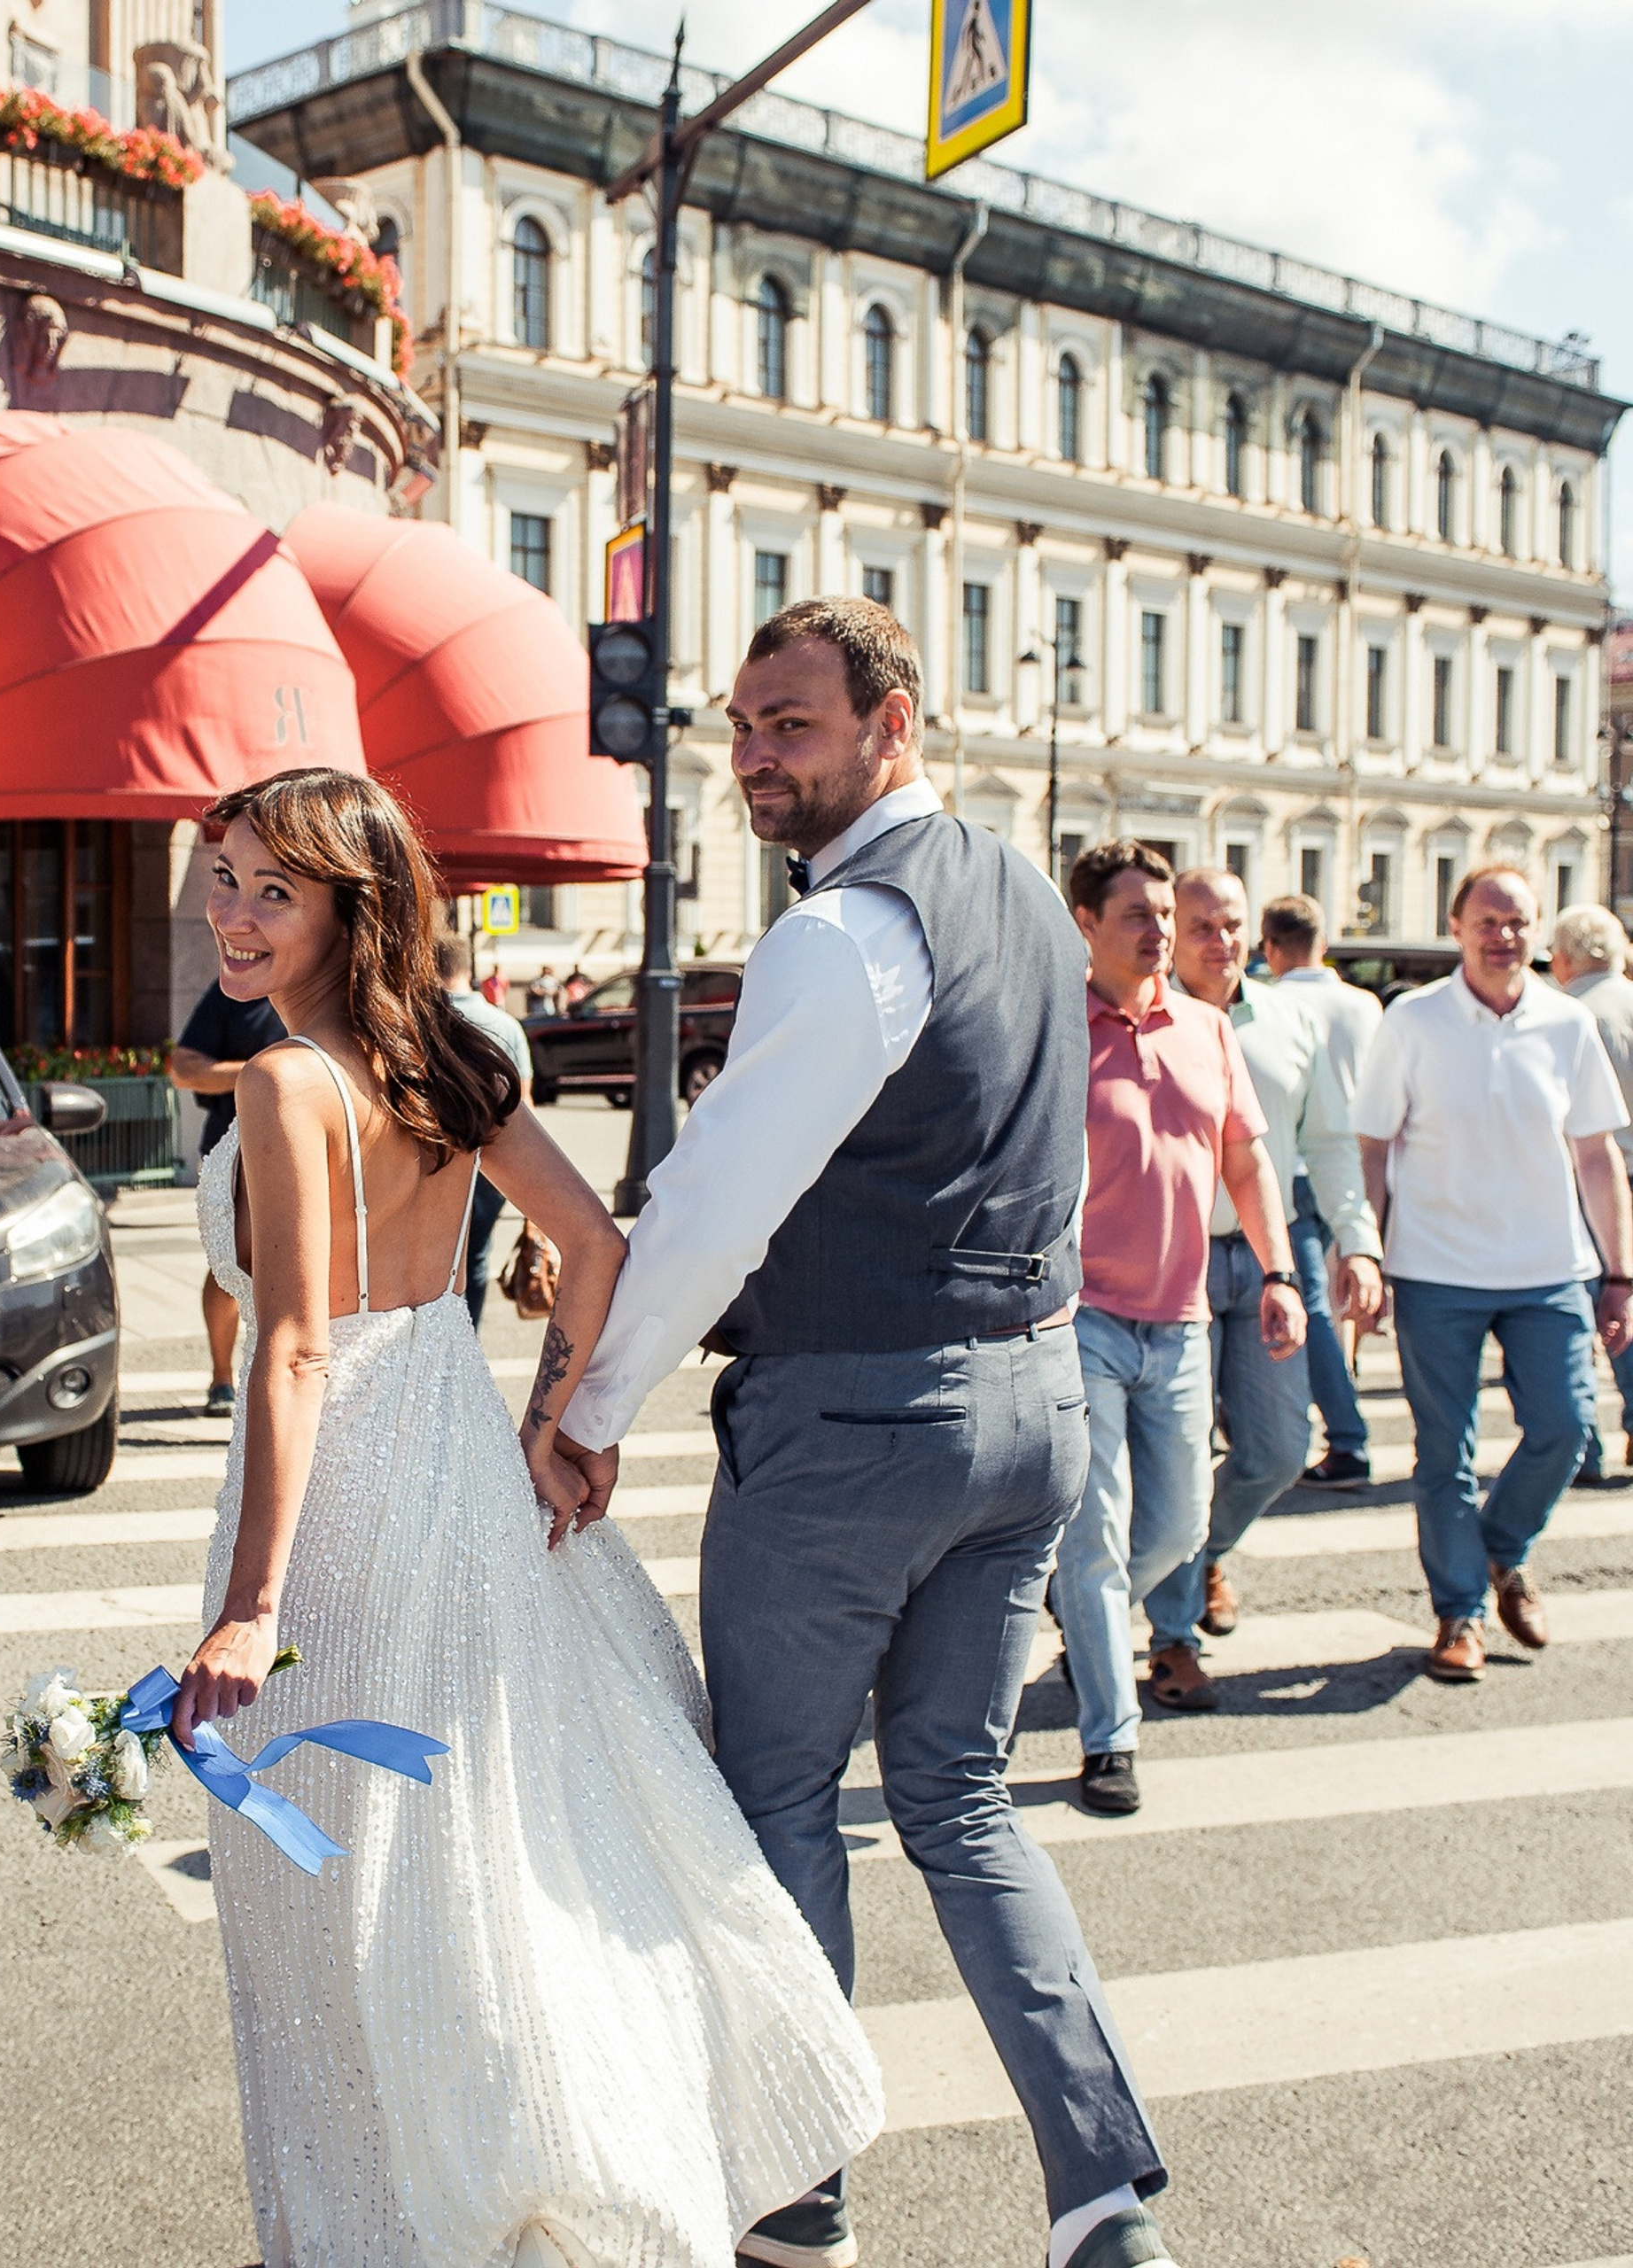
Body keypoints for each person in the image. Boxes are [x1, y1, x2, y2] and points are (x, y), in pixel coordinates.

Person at [168, 767, 884, 2268]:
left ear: (347, 910)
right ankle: (491, 2170)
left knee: (349, 1878)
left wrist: (249, 1603)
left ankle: (388, 2215)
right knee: (469, 1844)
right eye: (223, 878)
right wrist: (557, 1427)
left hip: (349, 1485)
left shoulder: (292, 1085)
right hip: (454, 1455)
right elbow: (595, 1247)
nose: (230, 915)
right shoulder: (446, 1052)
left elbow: (295, 1348)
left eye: (269, 892)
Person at [553, 600, 1182, 2268]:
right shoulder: (1032, 904)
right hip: (1029, 1404)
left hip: (857, 1419)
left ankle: (799, 2196)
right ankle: (1103, 2198)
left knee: (773, 1798)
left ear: (891, 726)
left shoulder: (841, 937)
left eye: (794, 725)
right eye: (742, 726)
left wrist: (590, 1408)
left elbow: (713, 1206)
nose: (756, 755)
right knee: (962, 1807)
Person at [1058, 843, 1303, 1811]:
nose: (1160, 931)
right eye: (1137, 915)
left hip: (1181, 1317)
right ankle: (1109, 1739)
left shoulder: (1208, 1026)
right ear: (1086, 923)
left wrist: (1277, 1269)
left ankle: (1082, 1613)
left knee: (1180, 1525)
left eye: (1165, 913)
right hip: (1081, 1317)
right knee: (1099, 1533)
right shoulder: (1057, 1027)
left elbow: (1246, 1165)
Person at [1354, 865, 1633, 1682]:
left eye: (1517, 922)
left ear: (1539, 932)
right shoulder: (1414, 1021)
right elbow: (1373, 1148)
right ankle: (1461, 1615)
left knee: (1565, 1427)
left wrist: (1622, 1273)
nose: (1502, 935)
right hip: (1436, 1269)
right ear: (1457, 925)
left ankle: (1501, 1552)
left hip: (1550, 1269)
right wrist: (1365, 1254)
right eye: (1487, 920)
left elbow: (1596, 1155)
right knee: (1445, 1454)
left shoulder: (1566, 1024)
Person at [1142, 872, 1380, 1706]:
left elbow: (1332, 1144)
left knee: (1279, 1450)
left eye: (1232, 925)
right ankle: (1171, 1638)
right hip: (1171, 1261)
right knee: (1178, 1458)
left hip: (1270, 1259)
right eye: (1201, 925)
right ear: (1174, 933)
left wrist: (1360, 1242)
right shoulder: (1142, 1019)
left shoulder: (1290, 1021)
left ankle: (1203, 1553)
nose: (1220, 941)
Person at [1259, 894, 1385, 1487]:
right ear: (1324, 941)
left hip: (1293, 1170)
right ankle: (1340, 1428)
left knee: (1308, 1305)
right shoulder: (1364, 1006)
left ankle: (1347, 1437)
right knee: (1340, 1304)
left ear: (1270, 947)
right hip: (1359, 1167)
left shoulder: (1270, 1006)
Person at [169, 976, 285, 1415]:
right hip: (233, 1147)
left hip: (316, 1147)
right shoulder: (236, 990)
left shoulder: (334, 987)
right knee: (233, 1264)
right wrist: (263, 1073)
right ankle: (222, 1378)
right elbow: (183, 1067)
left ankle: (286, 1375)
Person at [1550, 904, 1633, 1482]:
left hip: (1591, 1176)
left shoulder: (1566, 1016)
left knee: (1579, 1308)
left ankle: (1585, 1444)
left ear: (1566, 957)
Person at [434, 931, 530, 1324]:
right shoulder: (504, 1025)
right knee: (474, 1255)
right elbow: (524, 1108)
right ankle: (467, 1340)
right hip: (490, 1164)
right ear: (467, 969)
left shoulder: (411, 1021)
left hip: (428, 1159)